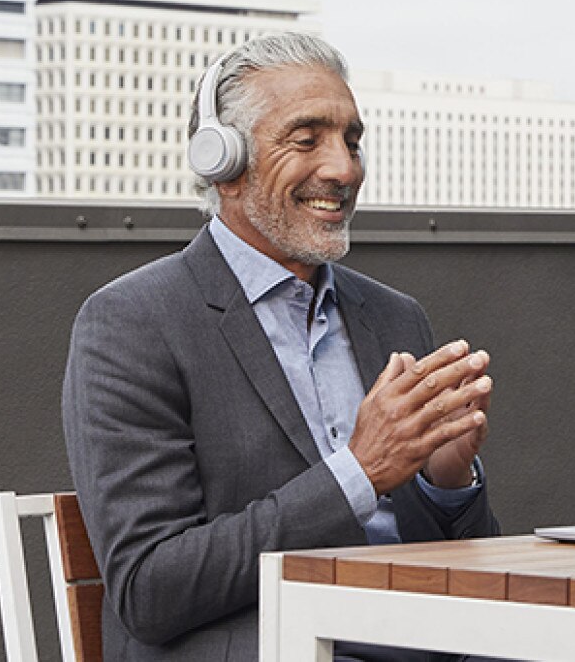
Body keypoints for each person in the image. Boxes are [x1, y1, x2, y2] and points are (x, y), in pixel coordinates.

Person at [62, 32, 499, 661]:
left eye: (352, 140)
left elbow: (463, 569)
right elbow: (150, 589)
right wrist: (360, 473)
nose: (345, 168)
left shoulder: (394, 317)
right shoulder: (132, 323)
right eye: (307, 138)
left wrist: (446, 481)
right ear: (224, 160)